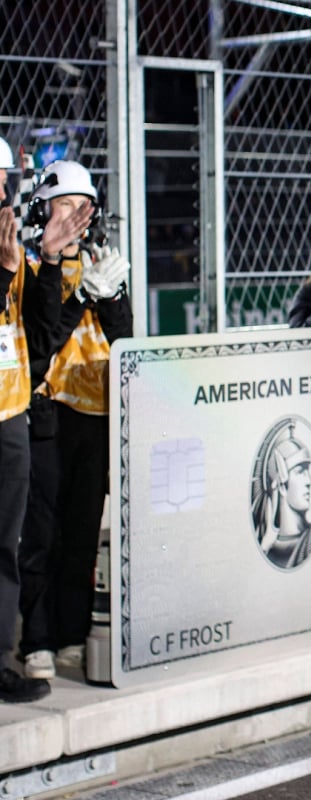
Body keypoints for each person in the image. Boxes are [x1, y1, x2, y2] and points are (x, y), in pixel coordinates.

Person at [18, 159, 130, 681]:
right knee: (42, 530)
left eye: (83, 207)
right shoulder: (30, 266)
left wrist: (111, 299)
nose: (76, 217)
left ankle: (69, 632)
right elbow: (40, 346)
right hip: (46, 406)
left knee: (83, 531)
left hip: (96, 410)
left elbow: (124, 339)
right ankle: (35, 638)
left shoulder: (98, 260)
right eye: (65, 205)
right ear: (44, 211)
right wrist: (80, 291)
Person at [0, 138, 63, 700]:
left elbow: (39, 339)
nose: (2, 196)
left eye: (6, 184)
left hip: (9, 414)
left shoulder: (16, 251)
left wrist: (52, 264)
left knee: (6, 545)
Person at [251, 420, 311, 569]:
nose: (309, 481)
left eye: (307, 470)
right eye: (300, 471)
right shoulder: (267, 551)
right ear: (282, 486)